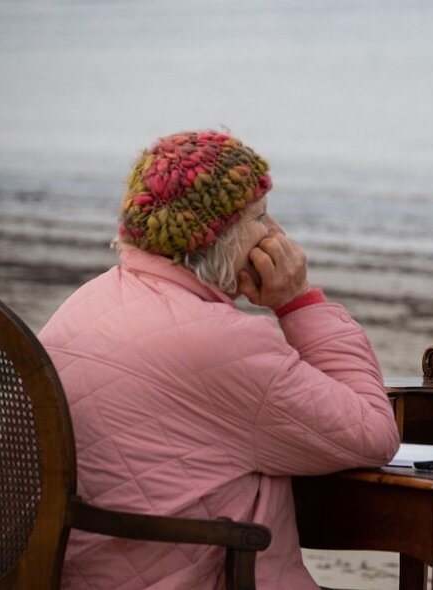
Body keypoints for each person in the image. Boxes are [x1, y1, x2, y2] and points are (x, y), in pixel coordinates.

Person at [38, 130, 401, 589]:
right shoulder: (226, 343)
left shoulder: (87, 300)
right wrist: (299, 301)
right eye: (260, 217)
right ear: (218, 235)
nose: (275, 234)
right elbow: (373, 433)